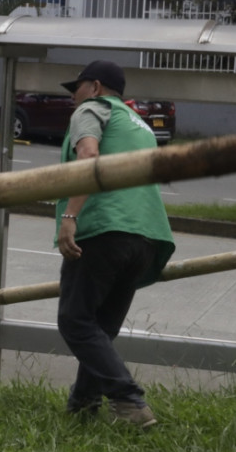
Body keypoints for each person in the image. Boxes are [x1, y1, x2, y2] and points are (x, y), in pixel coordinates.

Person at [55, 60, 175, 428]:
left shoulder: (92, 109)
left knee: (75, 321)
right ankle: (83, 404)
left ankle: (128, 399)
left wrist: (70, 217)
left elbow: (89, 157)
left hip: (106, 230)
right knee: (101, 327)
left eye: (76, 88)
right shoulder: (138, 122)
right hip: (147, 237)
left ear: (94, 86)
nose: (72, 97)